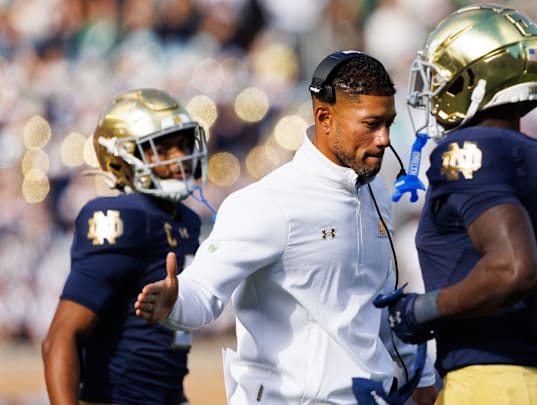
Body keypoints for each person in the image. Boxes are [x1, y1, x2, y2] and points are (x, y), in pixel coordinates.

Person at [134, 51, 438, 405]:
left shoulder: (377, 192)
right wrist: (173, 301)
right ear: (324, 116)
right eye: (371, 124)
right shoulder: (269, 202)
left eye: (388, 122)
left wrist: (426, 384)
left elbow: (383, 306)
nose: (385, 139)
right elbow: (202, 290)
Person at [381, 4, 537, 404]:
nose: (435, 87)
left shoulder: (468, 148)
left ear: (475, 76)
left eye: (441, 75)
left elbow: (514, 268)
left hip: (493, 387)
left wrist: (418, 311)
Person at [42, 88, 209, 405]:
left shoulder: (186, 219)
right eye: (162, 148)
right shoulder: (123, 218)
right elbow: (61, 337)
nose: (180, 157)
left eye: (183, 143)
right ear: (123, 158)